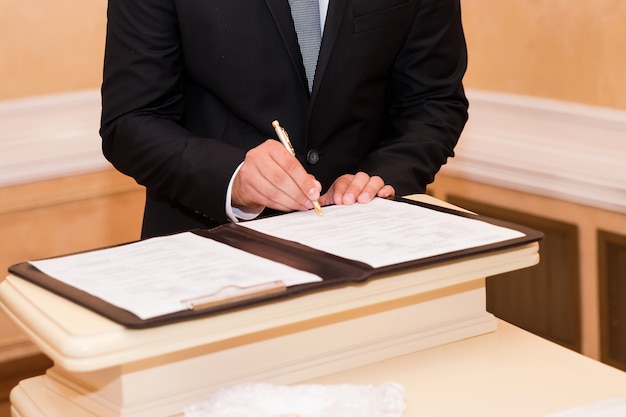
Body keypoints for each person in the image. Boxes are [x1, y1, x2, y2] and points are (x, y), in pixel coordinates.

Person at [100, 0, 469, 239]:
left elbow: (433, 101)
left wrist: (376, 179)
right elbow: (132, 119)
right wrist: (233, 178)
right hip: (206, 253)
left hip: (372, 248)